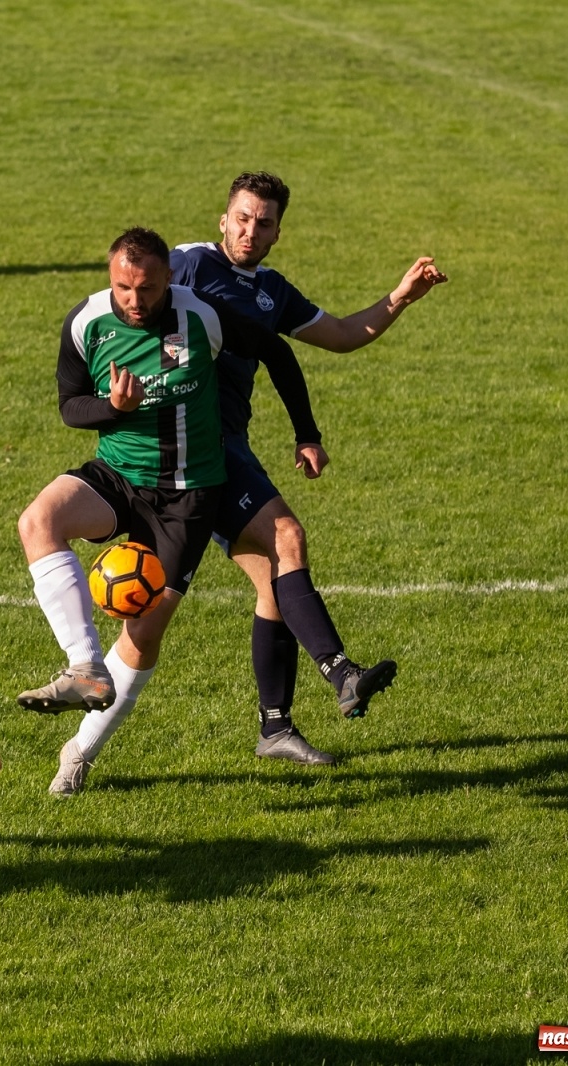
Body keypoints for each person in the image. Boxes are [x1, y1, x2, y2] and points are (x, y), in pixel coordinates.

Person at [15, 228, 323, 797]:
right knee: (38, 521)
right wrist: (113, 406)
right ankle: (84, 666)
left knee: (144, 631)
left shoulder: (200, 315)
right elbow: (69, 407)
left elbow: (277, 350)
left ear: (167, 279)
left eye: (148, 288)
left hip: (186, 497)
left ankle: (79, 751)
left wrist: (306, 432)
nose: (135, 300)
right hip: (119, 475)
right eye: (123, 287)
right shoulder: (85, 322)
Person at [170, 171, 448, 765]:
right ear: (223, 219)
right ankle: (342, 672)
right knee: (287, 538)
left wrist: (400, 297)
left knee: (275, 577)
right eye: (241, 218)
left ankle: (275, 727)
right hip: (189, 447)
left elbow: (345, 334)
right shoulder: (188, 263)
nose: (250, 230)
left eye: (263, 223)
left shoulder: (272, 290)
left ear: (277, 233)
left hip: (231, 447)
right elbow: (130, 297)